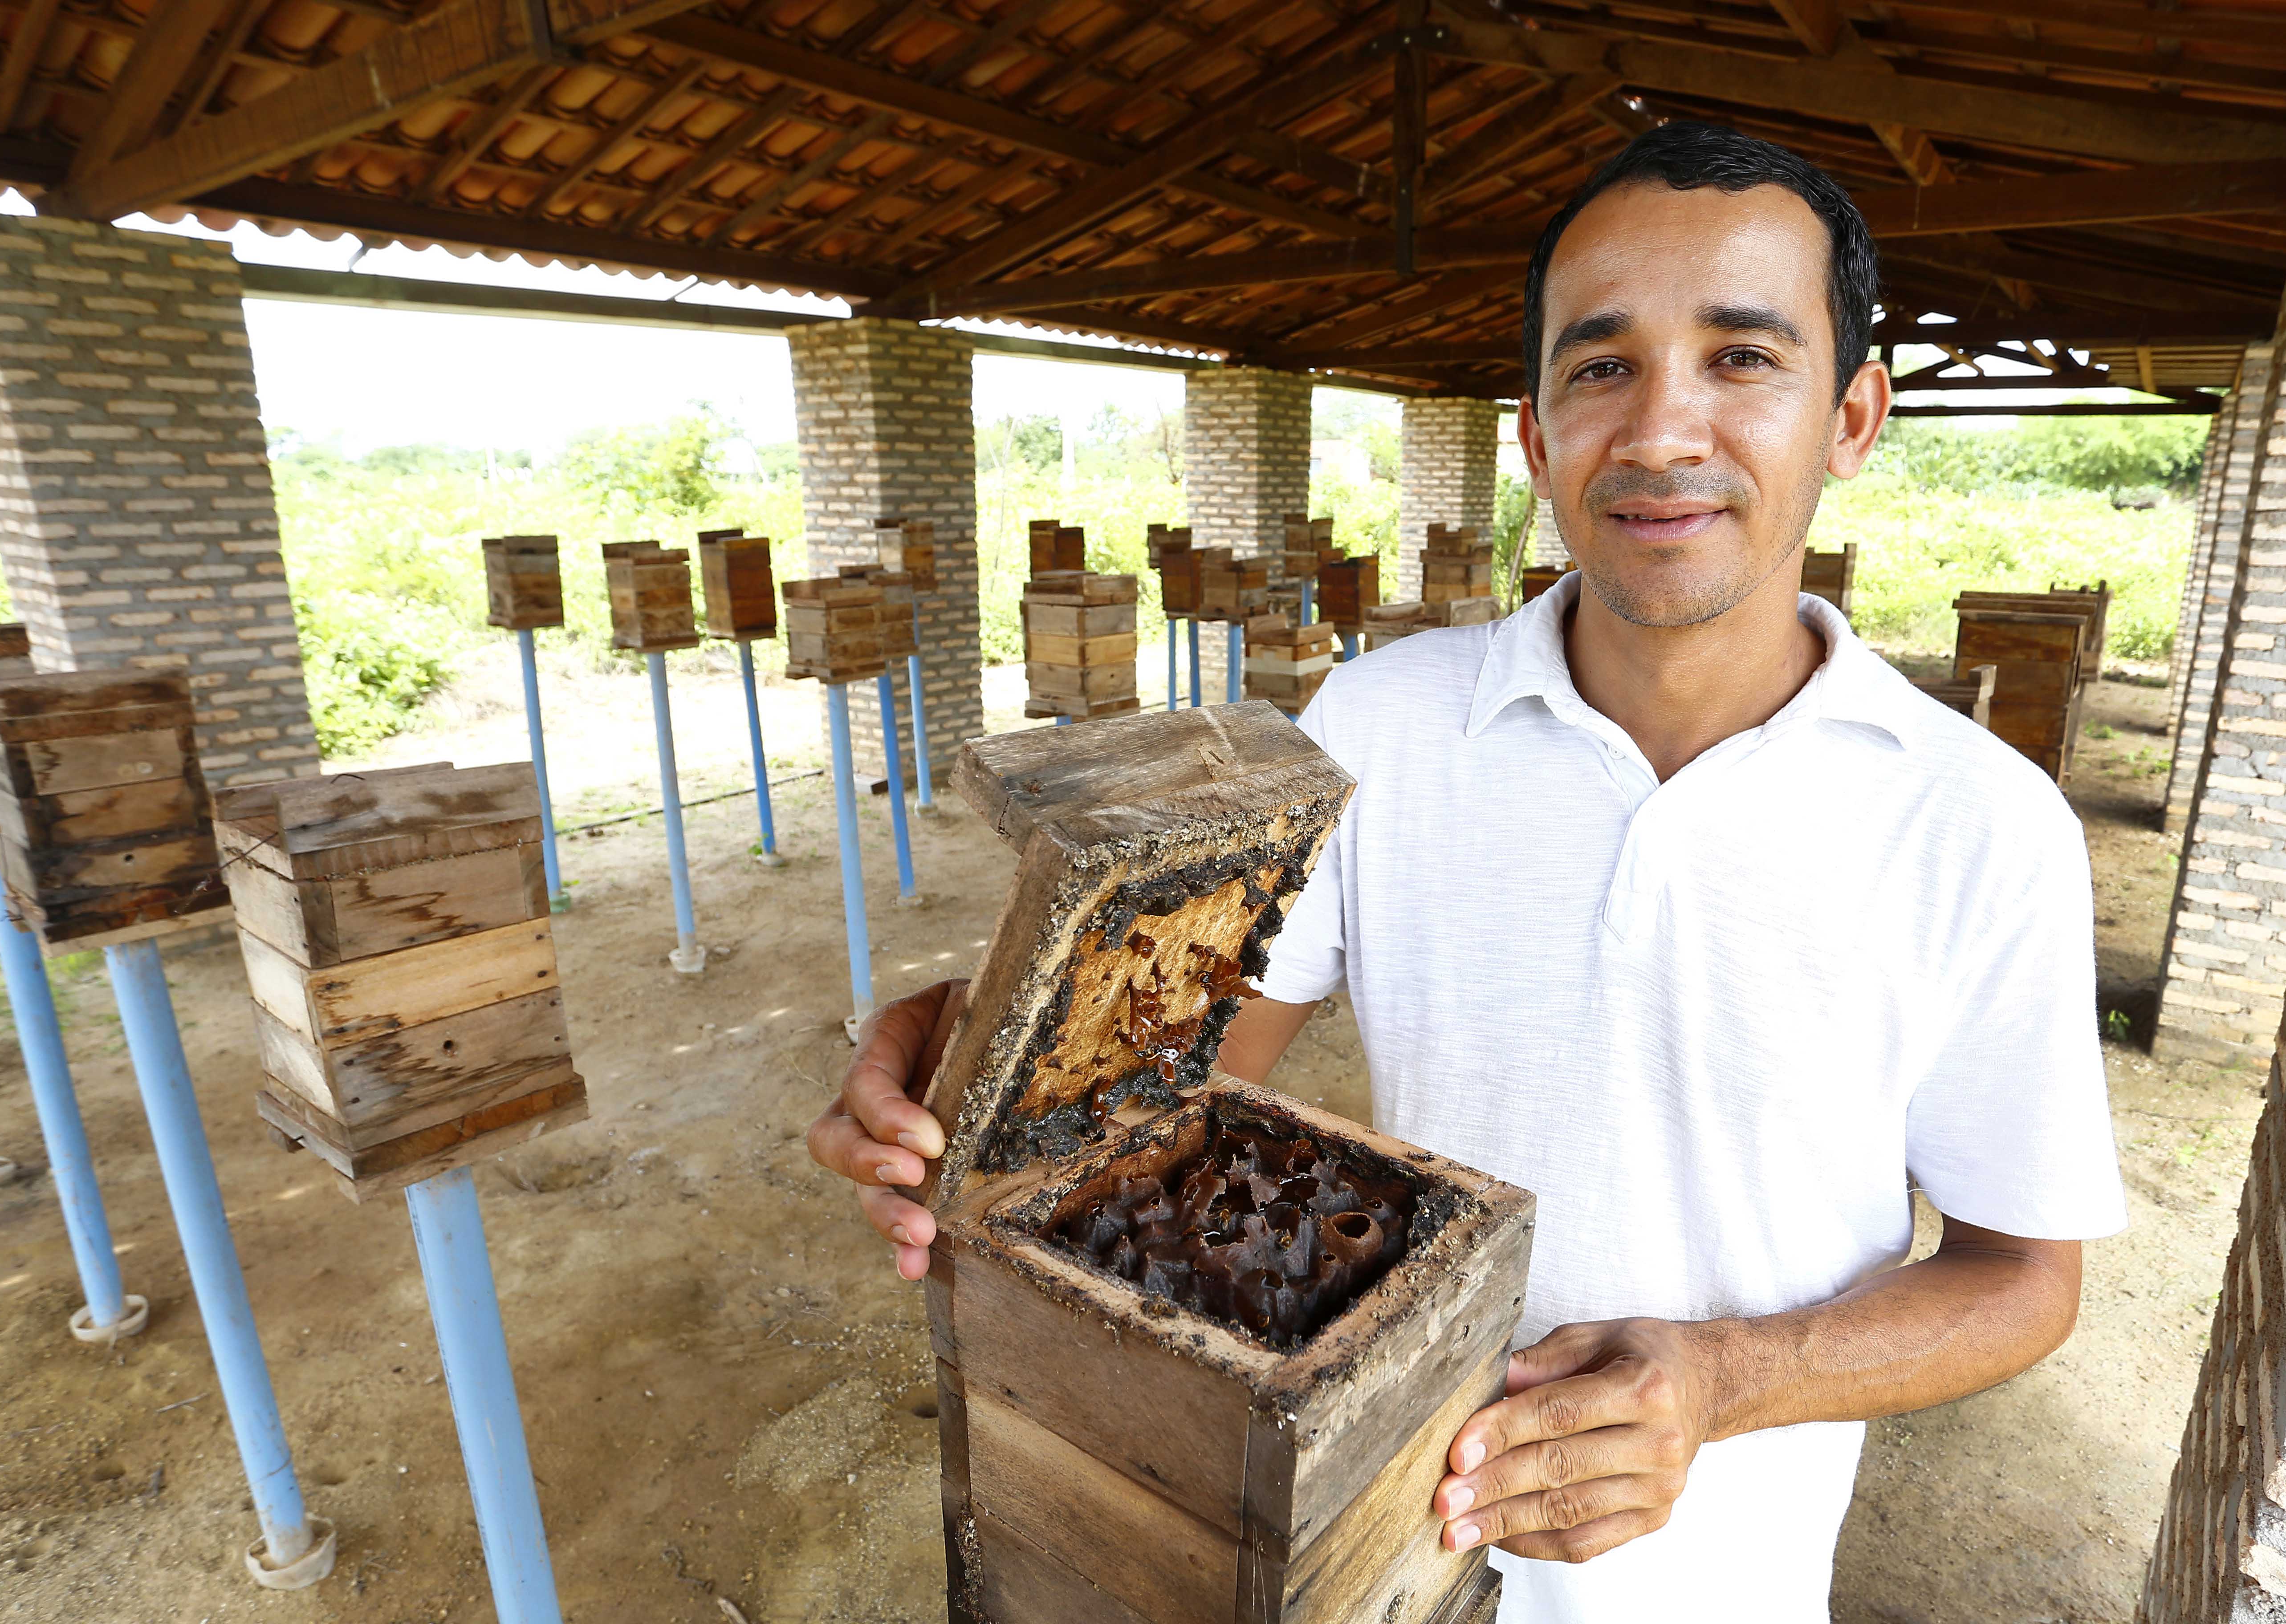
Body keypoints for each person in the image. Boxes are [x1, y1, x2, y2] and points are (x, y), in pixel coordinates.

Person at [806, 122, 2124, 1622]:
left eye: (1743, 358)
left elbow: (2026, 1276)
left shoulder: (1982, 823)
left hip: (1721, 1583)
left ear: (1853, 416)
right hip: (1375, 1543)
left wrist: (1726, 1379)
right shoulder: (1384, 724)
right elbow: (1186, 1073)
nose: (1663, 432)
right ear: (1536, 436)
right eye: (1602, 365)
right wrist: (995, 1075)